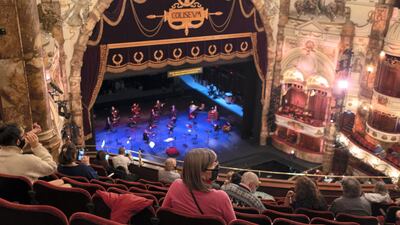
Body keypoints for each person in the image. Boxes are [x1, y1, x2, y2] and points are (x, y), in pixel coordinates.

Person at [162, 148, 236, 224]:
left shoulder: (176, 185)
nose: (216, 166)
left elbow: (163, 213)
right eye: (213, 165)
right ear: (201, 173)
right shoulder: (221, 197)